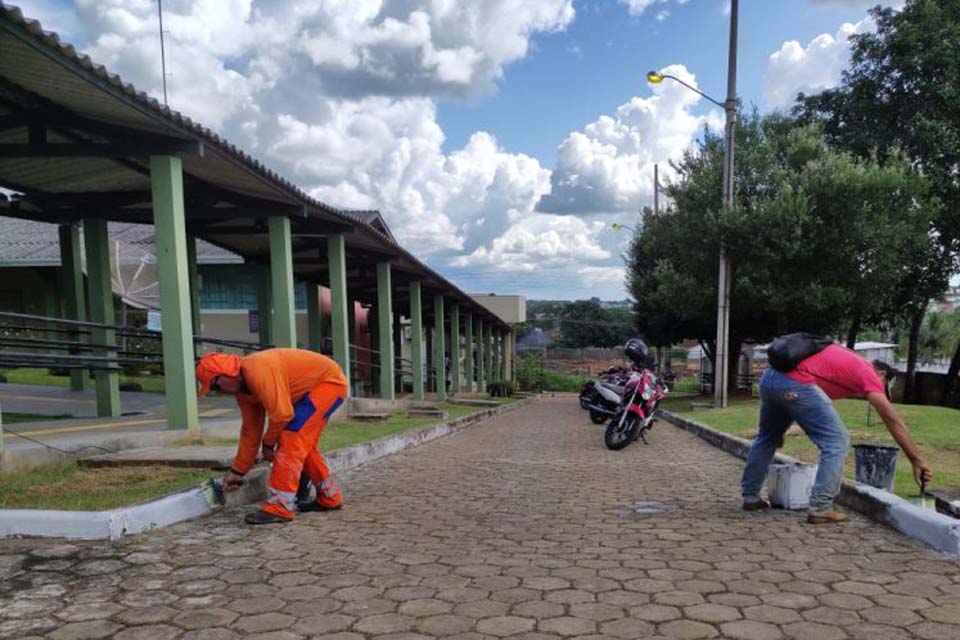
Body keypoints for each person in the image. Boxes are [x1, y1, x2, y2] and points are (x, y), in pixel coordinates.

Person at [741, 341, 932, 524]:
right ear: (881, 373)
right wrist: (916, 459)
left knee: (767, 438)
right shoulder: (867, 371)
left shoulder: (846, 361)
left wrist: (778, 427)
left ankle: (750, 497)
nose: (879, 391)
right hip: (794, 381)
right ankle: (820, 508)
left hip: (769, 378)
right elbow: (892, 419)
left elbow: (797, 399)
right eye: (884, 386)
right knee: (837, 442)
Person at [196, 348, 348, 525]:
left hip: (329, 383)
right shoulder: (244, 392)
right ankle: (330, 497)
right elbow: (250, 432)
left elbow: (282, 415)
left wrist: (268, 444)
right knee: (302, 444)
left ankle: (279, 507)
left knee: (292, 437)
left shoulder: (257, 369)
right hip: (316, 388)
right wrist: (237, 472)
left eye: (215, 385)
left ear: (226, 374)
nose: (219, 391)